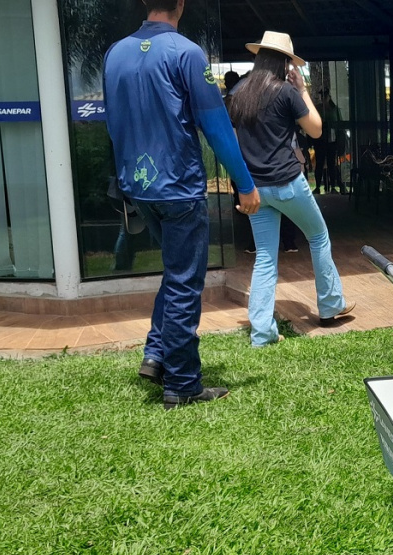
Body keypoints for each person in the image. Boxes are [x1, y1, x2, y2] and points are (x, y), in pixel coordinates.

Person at [104, 0, 260, 409]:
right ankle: (183, 384)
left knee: (175, 274)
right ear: (181, 4)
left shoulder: (114, 53)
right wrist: (245, 185)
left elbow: (113, 124)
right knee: (185, 283)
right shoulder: (187, 53)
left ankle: (156, 355)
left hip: (138, 186)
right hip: (179, 187)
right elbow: (216, 126)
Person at [228, 31, 355, 346]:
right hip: (287, 183)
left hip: (255, 188)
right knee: (318, 236)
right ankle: (329, 306)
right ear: (285, 62)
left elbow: (231, 141)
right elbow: (316, 129)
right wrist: (303, 90)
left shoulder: (240, 91)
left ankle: (261, 333)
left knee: (266, 258)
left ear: (259, 58)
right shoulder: (286, 91)